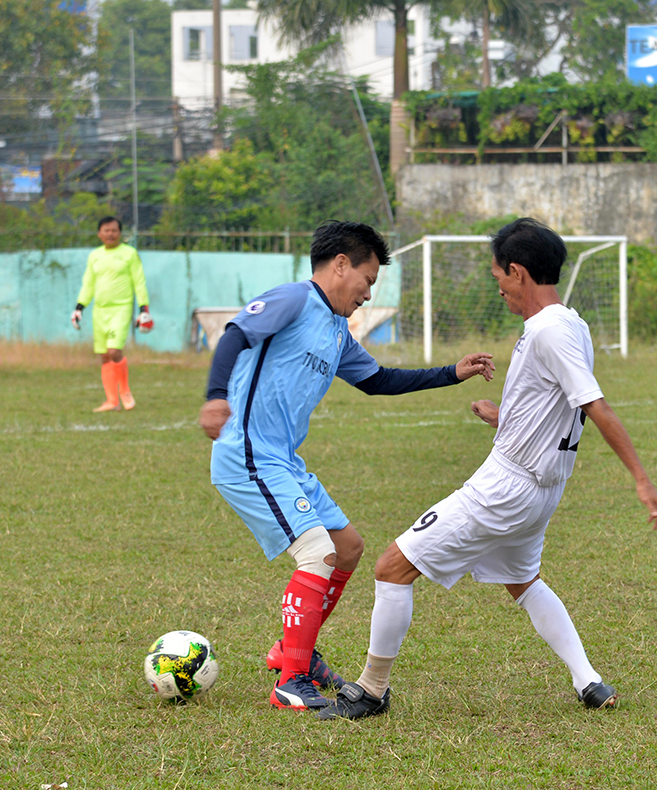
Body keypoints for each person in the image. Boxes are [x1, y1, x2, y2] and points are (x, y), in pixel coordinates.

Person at [317, 218, 657, 721]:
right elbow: (558, 408)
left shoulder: (547, 331)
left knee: (392, 567)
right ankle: (588, 680)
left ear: (518, 272)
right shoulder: (571, 325)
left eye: (498, 276)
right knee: (523, 581)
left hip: (507, 487)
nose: (498, 287)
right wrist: (504, 419)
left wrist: (641, 479)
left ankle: (371, 691)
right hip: (540, 489)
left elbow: (594, 406)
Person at [198, 220, 495, 712]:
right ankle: (290, 681)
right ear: (340, 265)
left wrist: (451, 373)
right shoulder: (294, 299)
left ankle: (294, 653)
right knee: (317, 553)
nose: (367, 293)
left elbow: (378, 380)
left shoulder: (336, 330)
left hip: (285, 462)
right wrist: (214, 399)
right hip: (247, 453)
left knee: (348, 547)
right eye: (368, 280)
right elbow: (234, 335)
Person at [71, 216, 152, 412]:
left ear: (120, 233)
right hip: (100, 310)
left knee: (114, 350)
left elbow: (139, 282)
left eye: (114, 230)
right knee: (104, 355)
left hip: (121, 308)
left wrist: (144, 309)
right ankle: (111, 401)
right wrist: (79, 308)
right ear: (99, 234)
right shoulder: (95, 256)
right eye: (106, 230)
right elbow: (88, 284)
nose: (110, 234)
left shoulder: (129, 254)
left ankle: (124, 390)